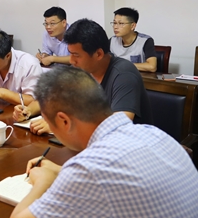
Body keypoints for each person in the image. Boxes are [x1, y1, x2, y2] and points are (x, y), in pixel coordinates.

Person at [8, 67, 198, 218]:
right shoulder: (153, 133)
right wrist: (59, 171)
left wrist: (43, 181)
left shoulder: (90, 168)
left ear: (64, 121)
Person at [15, 18, 152, 134]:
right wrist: (28, 111)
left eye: (76, 55)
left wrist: (60, 126)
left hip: (128, 146)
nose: (71, 61)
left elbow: (119, 125)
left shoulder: (124, 74)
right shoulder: (81, 70)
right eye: (70, 54)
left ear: (98, 54)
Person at [110, 7, 157, 72]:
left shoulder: (145, 41)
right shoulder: (112, 41)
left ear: (133, 26)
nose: (115, 27)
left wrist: (123, 65)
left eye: (121, 23)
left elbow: (152, 67)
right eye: (114, 23)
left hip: (136, 76)